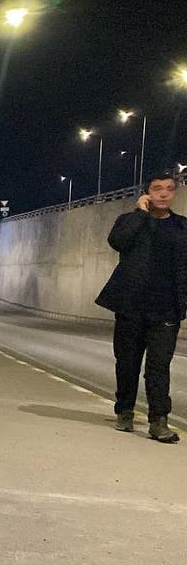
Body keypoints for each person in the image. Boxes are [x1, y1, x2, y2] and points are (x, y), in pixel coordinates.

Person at [95, 171, 187, 443]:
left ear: (174, 193)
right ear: (147, 193)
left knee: (159, 367)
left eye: (168, 189)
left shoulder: (182, 227)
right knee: (127, 363)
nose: (163, 194)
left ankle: (159, 421)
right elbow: (117, 242)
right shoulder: (130, 222)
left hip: (167, 309)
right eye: (157, 189)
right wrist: (140, 213)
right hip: (131, 305)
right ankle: (124, 410)